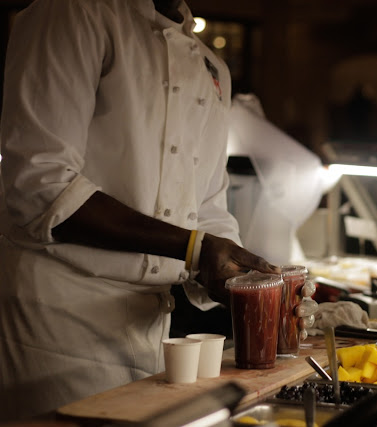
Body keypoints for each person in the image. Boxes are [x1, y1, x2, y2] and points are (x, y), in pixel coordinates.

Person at [0, 0, 314, 421]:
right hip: (57, 320)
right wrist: (195, 248)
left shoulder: (211, 67)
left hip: (153, 327)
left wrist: (245, 281)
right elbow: (39, 183)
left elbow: (207, 208)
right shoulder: (73, 11)